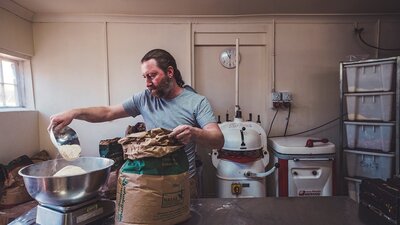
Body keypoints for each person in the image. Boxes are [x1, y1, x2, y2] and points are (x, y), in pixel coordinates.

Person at [48, 49, 224, 198]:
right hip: (149, 180)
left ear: (170, 72)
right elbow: (108, 112)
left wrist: (193, 133)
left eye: (152, 76)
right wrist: (75, 112)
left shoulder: (197, 102)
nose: (147, 83)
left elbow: (218, 139)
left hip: (182, 182)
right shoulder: (144, 99)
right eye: (145, 77)